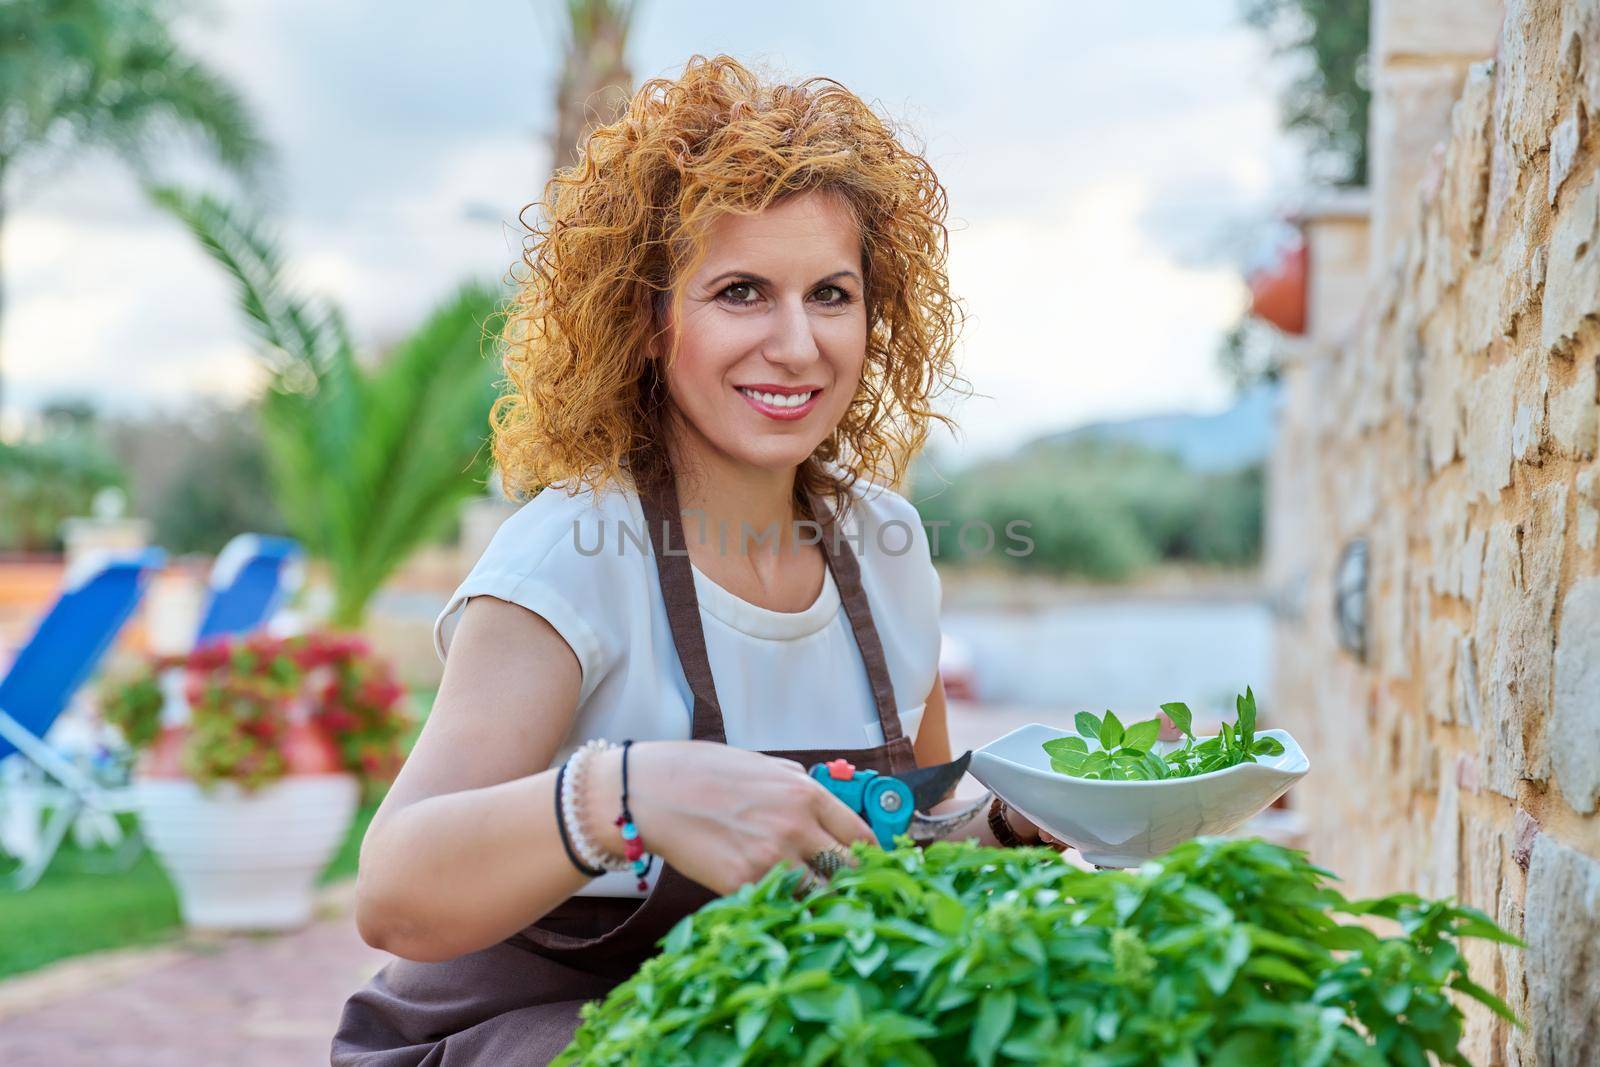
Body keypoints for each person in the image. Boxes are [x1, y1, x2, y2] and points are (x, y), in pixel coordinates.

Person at [331, 53, 1059, 1066]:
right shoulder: (568, 558)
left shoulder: (887, 550)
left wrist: (1013, 827)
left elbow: (912, 838)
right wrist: (624, 793)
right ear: (645, 318)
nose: (798, 344)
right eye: (741, 291)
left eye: (832, 294)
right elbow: (394, 893)